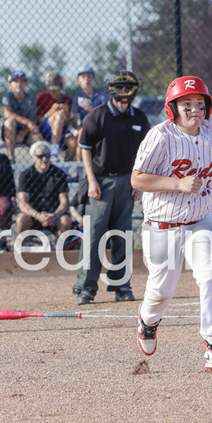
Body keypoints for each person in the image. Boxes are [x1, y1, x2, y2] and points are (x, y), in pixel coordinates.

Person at [131, 75, 212, 372]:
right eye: (186, 104)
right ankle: (147, 321)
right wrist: (176, 184)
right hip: (161, 225)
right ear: (173, 108)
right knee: (161, 291)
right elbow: (137, 178)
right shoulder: (160, 136)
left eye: (200, 104)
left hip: (200, 221)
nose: (194, 109)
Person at [73, 70, 150, 306]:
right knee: (94, 235)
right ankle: (86, 287)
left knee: (123, 236)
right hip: (101, 181)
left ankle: (121, 284)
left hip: (128, 181)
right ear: (112, 90)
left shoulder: (139, 118)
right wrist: (92, 181)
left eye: (128, 89)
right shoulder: (97, 116)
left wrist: (140, 184)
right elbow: (84, 147)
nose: (124, 94)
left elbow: (144, 153)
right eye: (120, 88)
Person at [16, 140, 72, 242]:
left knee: (66, 220)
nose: (44, 159)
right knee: (21, 219)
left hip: (54, 216)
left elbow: (64, 201)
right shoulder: (25, 175)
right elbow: (22, 203)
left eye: (47, 155)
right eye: (40, 156)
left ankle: (58, 249)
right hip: (33, 216)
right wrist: (37, 215)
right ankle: (24, 248)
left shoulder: (59, 174)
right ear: (33, 157)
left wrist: (54, 215)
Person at [1, 70, 42, 160]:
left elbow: (33, 121)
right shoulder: (7, 96)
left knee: (37, 137)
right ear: (10, 85)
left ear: (25, 84)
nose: (19, 84)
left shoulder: (30, 98)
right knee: (10, 122)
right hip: (10, 131)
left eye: (22, 81)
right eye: (15, 81)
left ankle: (38, 162)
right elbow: (7, 113)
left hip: (26, 131)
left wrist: (22, 134)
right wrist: (26, 122)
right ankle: (11, 157)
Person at [36, 71, 75, 160]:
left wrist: (67, 113)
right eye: (53, 90)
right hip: (45, 129)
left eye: (58, 89)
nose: (56, 93)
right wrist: (50, 112)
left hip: (61, 130)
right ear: (47, 87)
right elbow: (38, 121)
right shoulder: (41, 97)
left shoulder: (67, 99)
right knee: (59, 114)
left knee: (73, 142)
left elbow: (66, 124)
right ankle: (54, 153)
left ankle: (65, 170)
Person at [71, 66, 110, 132]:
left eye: (89, 76)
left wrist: (92, 110)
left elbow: (107, 115)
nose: (86, 79)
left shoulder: (102, 95)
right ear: (78, 81)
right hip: (84, 128)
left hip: (101, 126)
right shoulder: (77, 98)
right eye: (83, 77)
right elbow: (75, 123)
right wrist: (80, 130)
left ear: (94, 79)